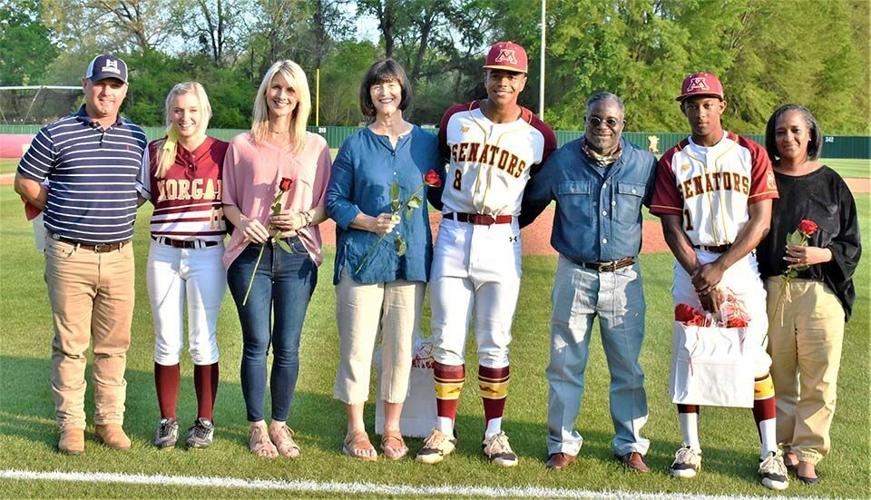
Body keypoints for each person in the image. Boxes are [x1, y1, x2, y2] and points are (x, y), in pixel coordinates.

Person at [416, 41, 556, 467]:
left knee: (495, 342)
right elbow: (435, 173)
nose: (503, 81)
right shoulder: (456, 118)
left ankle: (494, 433)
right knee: (447, 337)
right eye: (496, 73)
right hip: (455, 236)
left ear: (524, 82)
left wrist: (511, 222)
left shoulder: (539, 135)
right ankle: (443, 428)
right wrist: (444, 203)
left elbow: (537, 194)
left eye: (511, 75)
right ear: (486, 76)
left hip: (501, 239)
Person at [649, 72, 789, 490]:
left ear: (721, 105)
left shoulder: (749, 152)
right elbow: (671, 228)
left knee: (754, 360)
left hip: (739, 265)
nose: (700, 111)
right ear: (684, 109)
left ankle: (770, 454)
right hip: (692, 263)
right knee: (690, 354)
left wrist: (720, 269)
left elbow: (761, 220)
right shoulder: (673, 159)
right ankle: (690, 446)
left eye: (707, 103)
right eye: (692, 104)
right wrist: (700, 272)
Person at [13, 54, 147, 455]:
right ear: (86, 85)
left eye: (116, 84)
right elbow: (25, 181)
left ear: (124, 91)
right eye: (100, 83)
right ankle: (71, 425)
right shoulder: (56, 134)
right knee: (71, 345)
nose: (107, 91)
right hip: (69, 255)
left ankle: (109, 420)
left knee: (114, 345)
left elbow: (139, 191)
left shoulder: (137, 138)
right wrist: (60, 208)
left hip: (120, 255)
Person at [520, 92, 655, 472]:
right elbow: (528, 205)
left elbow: (669, 212)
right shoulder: (562, 161)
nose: (602, 127)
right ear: (586, 120)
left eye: (611, 121)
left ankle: (630, 444)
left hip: (624, 276)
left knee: (628, 366)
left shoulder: (643, 164)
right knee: (565, 362)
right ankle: (561, 443)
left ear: (623, 124)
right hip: (574, 272)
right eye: (595, 119)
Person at [325, 59, 440, 461]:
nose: (384, 92)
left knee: (399, 347)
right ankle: (355, 430)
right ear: (369, 94)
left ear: (403, 89)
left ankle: (392, 429)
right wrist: (366, 221)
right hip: (361, 260)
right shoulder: (356, 144)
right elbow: (334, 201)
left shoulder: (426, 143)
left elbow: (443, 193)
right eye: (377, 86)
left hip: (410, 262)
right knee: (356, 347)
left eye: (391, 84)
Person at [222, 60, 331, 459]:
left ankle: (280, 424)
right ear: (265, 91)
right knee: (256, 343)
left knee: (288, 345)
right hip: (250, 255)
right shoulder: (242, 144)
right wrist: (244, 222)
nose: (282, 96)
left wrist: (302, 217)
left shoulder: (316, 147)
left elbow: (324, 205)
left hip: (297, 254)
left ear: (301, 96)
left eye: (290, 89)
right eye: (275, 88)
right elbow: (228, 201)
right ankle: (255, 426)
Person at [757, 104, 861, 484]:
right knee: (778, 374)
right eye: (781, 131)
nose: (789, 138)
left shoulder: (832, 183)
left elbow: (851, 242)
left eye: (796, 131)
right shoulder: (765, 178)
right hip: (774, 289)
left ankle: (809, 452)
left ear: (811, 135)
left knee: (819, 377)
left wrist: (825, 253)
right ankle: (781, 448)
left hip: (821, 292)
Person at [137, 82, 229, 449]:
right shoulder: (156, 151)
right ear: (169, 113)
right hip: (164, 253)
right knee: (166, 339)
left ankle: (204, 420)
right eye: (178, 110)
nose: (185, 117)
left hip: (207, 252)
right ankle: (168, 419)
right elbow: (132, 198)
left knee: (202, 340)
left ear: (205, 112)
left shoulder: (223, 152)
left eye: (192, 110)